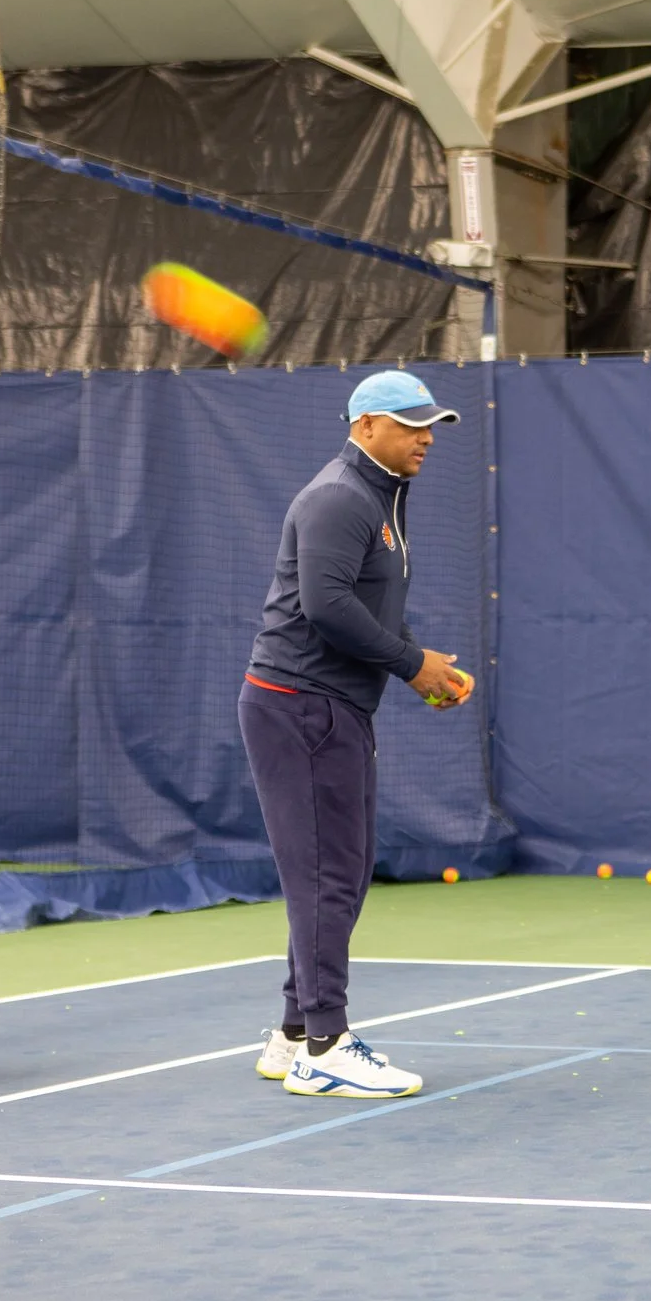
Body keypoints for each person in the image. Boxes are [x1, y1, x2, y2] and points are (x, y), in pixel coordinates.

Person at [242, 371, 470, 1097]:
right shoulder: (340, 496)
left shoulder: (381, 498)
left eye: (431, 425)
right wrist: (412, 664)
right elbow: (326, 606)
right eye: (411, 424)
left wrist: (421, 666)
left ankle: (292, 1034)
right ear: (366, 425)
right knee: (328, 874)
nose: (426, 437)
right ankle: (325, 1046)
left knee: (340, 868)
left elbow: (370, 607)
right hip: (300, 705)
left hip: (330, 706)